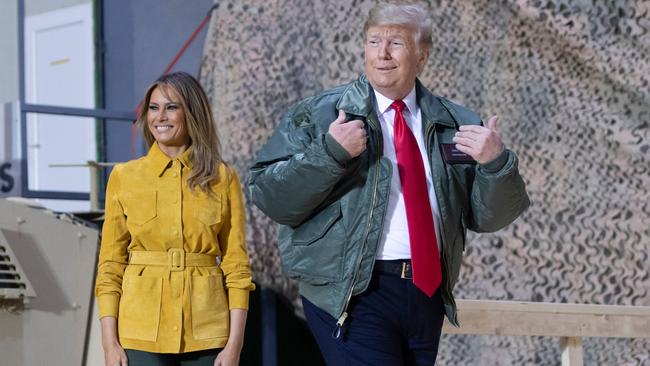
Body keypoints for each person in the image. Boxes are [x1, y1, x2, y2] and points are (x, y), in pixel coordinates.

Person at [249, 2, 530, 365]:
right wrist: (330, 152)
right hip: (353, 290)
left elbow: (488, 218)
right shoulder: (319, 114)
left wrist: (495, 164)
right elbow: (270, 196)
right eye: (373, 41)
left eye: (396, 43)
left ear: (422, 56)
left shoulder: (455, 123)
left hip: (425, 291)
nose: (382, 53)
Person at [95, 71, 255, 366]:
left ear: (191, 112)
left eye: (171, 107)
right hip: (139, 332)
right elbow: (110, 267)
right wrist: (109, 344)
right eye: (153, 108)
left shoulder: (222, 177)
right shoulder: (125, 177)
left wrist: (235, 345)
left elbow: (237, 267)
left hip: (208, 332)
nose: (160, 117)